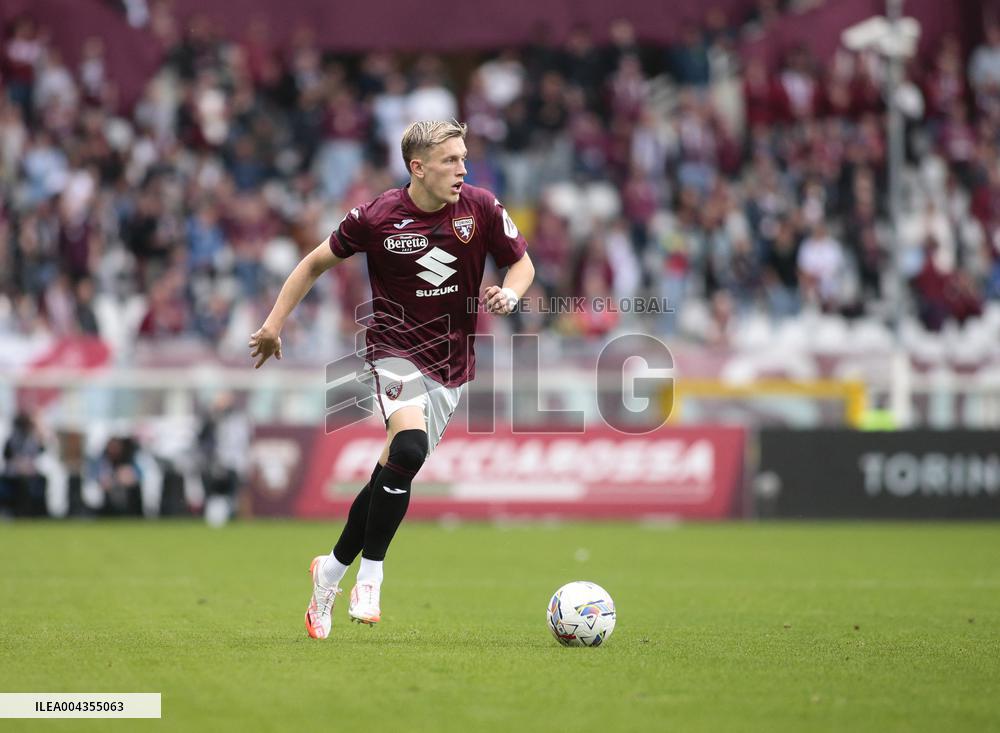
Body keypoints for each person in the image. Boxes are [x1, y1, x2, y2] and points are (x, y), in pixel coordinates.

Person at [249, 120, 535, 639]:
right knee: (408, 448)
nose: (463, 169)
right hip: (394, 351)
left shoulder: (482, 207)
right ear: (418, 167)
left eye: (464, 158)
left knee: (394, 469)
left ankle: (330, 571)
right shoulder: (377, 216)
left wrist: (511, 294)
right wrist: (273, 325)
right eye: (451, 160)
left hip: (451, 365)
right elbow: (313, 264)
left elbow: (522, 265)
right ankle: (371, 578)